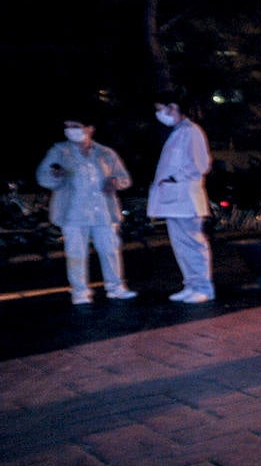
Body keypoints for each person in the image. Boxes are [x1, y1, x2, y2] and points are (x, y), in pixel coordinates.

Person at [35, 118, 138, 305]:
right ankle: (80, 292)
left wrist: (115, 182)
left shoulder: (105, 153)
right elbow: (43, 177)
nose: (70, 130)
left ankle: (115, 288)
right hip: (73, 213)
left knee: (109, 250)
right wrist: (56, 176)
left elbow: (124, 178)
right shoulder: (59, 151)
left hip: (103, 212)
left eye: (75, 126)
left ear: (90, 128)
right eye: (67, 127)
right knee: (76, 253)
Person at [148, 90, 215, 303]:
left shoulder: (191, 131)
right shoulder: (177, 132)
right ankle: (191, 285)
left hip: (186, 200)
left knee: (193, 244)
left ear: (173, 107)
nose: (159, 114)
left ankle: (203, 288)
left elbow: (201, 164)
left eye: (161, 109)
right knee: (181, 246)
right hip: (175, 202)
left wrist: (175, 178)